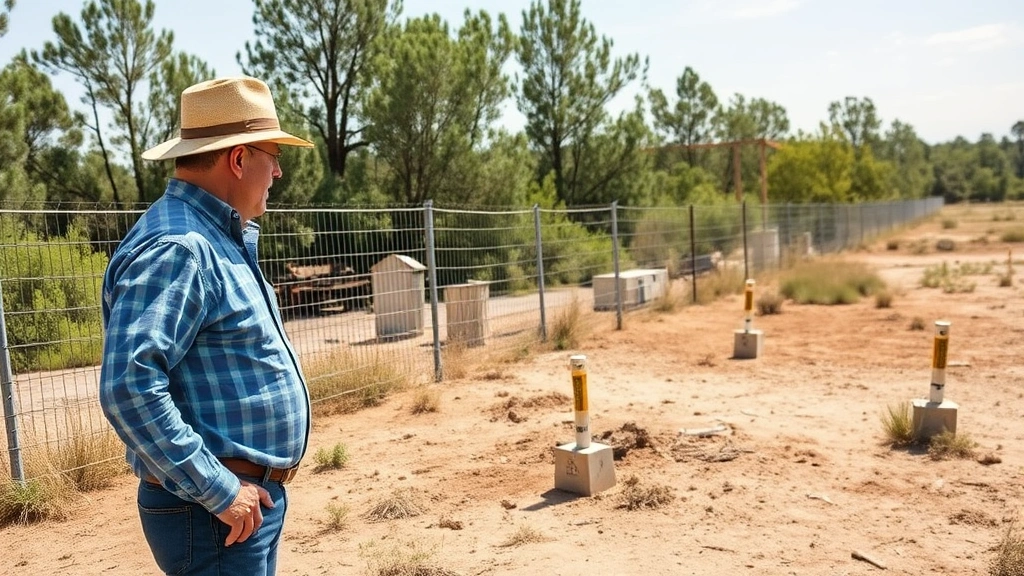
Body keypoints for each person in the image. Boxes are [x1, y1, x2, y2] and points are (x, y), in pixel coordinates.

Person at [99, 77, 314, 576]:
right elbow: (128, 386)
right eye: (272, 155)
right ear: (238, 160)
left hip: (231, 509)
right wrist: (219, 490)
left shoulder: (210, 237)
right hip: (214, 513)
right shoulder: (181, 248)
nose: (278, 171)